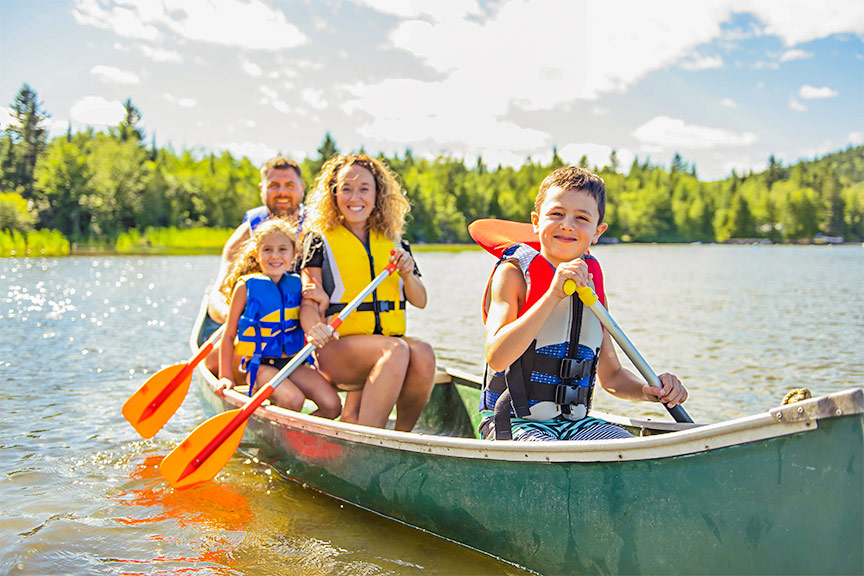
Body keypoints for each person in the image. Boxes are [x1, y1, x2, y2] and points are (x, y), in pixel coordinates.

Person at [479, 166, 688, 441]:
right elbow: (497, 355)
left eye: (581, 217)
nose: (567, 224)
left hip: (575, 426)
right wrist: (552, 295)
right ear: (536, 221)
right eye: (556, 214)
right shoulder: (513, 275)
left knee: (630, 448)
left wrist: (646, 391)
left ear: (598, 231)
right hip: (512, 421)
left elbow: (612, 377)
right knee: (549, 455)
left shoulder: (592, 286)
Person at [299, 154, 436, 430]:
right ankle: (371, 438)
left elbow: (419, 300)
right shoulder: (319, 240)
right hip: (337, 348)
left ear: (377, 194)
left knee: (423, 353)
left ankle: (402, 438)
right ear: (334, 193)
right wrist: (315, 328)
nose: (355, 197)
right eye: (346, 188)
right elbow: (309, 299)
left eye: (364, 188)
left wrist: (408, 273)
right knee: (395, 349)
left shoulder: (395, 242)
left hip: (384, 344)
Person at [217, 218, 341, 418]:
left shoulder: (297, 285)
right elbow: (229, 334)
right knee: (293, 400)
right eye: (267, 250)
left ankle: (300, 439)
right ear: (256, 255)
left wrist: (324, 302)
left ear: (294, 255)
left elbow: (317, 325)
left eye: (282, 249)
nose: (275, 256)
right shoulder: (245, 287)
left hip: (294, 363)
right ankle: (280, 441)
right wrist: (225, 377)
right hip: (261, 366)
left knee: (332, 405)